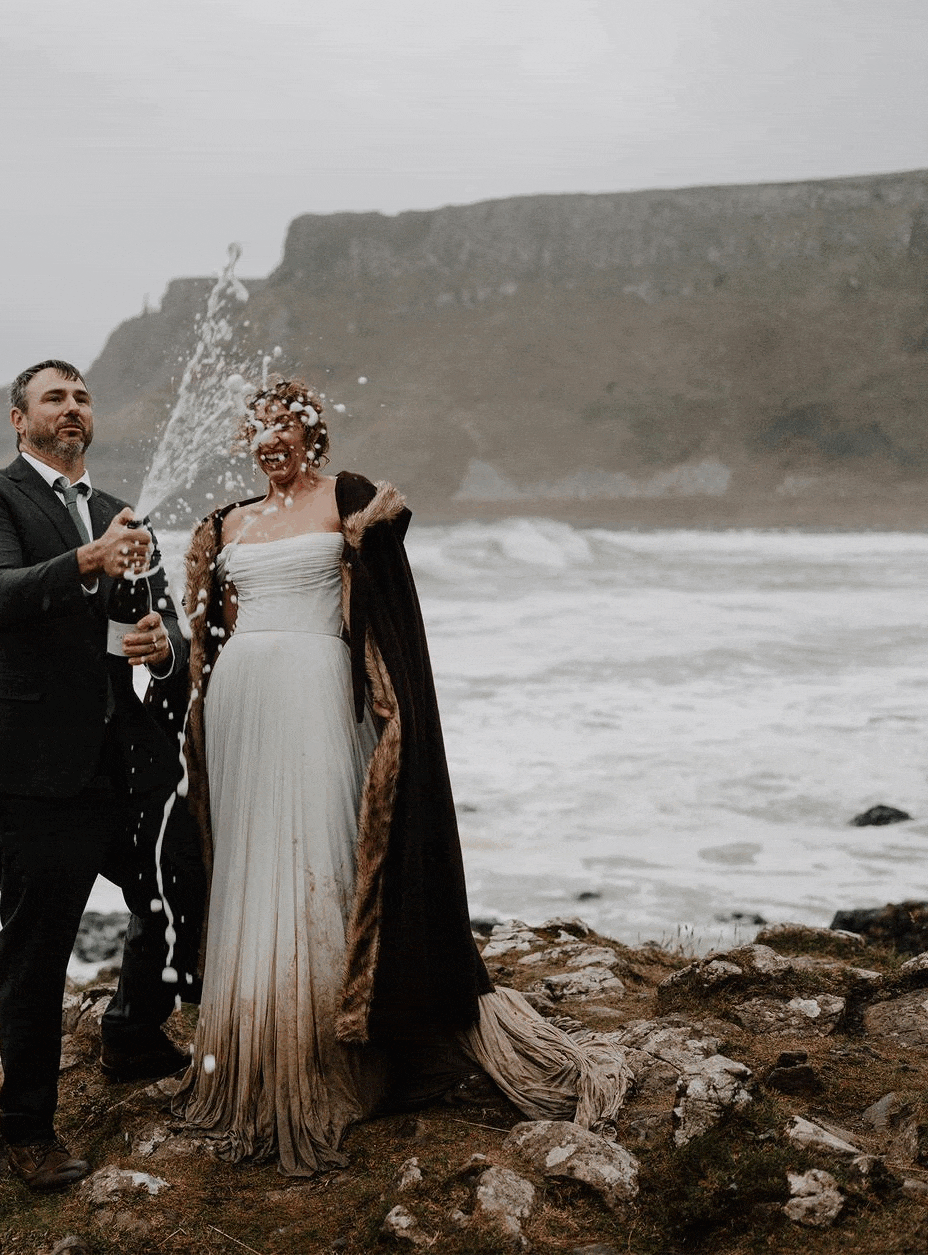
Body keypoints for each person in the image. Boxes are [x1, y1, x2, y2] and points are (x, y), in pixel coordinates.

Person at [166, 379, 627, 1175]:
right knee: (254, 861)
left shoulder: (349, 501)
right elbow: (217, 625)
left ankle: (328, 1049)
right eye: (258, 428)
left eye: (285, 427)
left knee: (320, 855)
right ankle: (251, 1046)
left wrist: (369, 544)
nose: (269, 440)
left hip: (316, 696)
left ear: (313, 436)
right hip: (245, 700)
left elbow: (379, 593)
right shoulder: (229, 522)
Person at [0, 359, 192, 1191]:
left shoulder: (124, 513)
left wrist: (167, 651)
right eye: (55, 396)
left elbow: (161, 631)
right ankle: (27, 1131)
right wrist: (90, 558)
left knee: (182, 878)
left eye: (82, 396)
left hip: (121, 760)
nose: (73, 407)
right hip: (28, 767)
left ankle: (131, 1029)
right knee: (38, 947)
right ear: (19, 420)